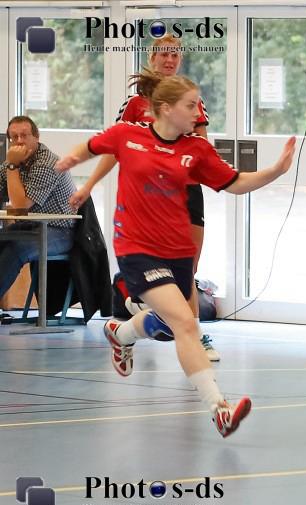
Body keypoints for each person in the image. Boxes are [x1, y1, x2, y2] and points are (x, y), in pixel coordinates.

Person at [55, 71, 296, 437]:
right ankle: (219, 409)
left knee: (169, 326)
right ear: (166, 109)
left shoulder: (195, 150)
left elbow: (235, 183)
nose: (197, 113)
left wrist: (276, 171)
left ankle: (122, 334)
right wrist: (73, 160)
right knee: (186, 323)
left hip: (178, 250)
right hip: (136, 247)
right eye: (190, 106)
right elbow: (93, 146)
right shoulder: (128, 135)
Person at [70, 35, 220, 361]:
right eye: (164, 54)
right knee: (154, 267)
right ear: (152, 58)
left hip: (185, 192)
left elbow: (203, 147)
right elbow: (113, 148)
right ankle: (157, 319)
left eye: (175, 55)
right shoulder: (135, 104)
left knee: (189, 267)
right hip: (148, 195)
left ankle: (191, 333)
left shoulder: (192, 101)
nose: (169, 60)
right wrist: (89, 185)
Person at [1, 116, 77, 300]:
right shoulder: (12, 163)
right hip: (33, 226)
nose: (19, 141)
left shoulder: (48, 163)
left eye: (24, 135)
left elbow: (21, 206)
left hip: (63, 231)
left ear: (36, 137)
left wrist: (12, 165)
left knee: (16, 248)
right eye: (14, 137)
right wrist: (11, 165)